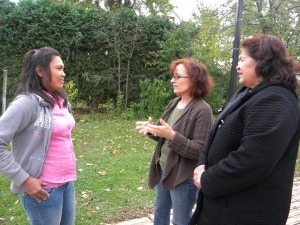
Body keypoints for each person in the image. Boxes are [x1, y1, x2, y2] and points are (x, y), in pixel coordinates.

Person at [190, 34, 300, 225]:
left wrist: (208, 179)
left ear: (263, 62)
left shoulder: (276, 100)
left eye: (242, 59)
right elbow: (215, 134)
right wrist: (202, 164)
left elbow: (252, 160)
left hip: (245, 212)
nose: (237, 66)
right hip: (221, 205)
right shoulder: (247, 93)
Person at [0, 47, 76, 225]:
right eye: (58, 68)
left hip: (66, 184)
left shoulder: (60, 102)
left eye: (63, 68)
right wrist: (24, 180)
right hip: (43, 190)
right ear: (40, 71)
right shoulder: (26, 103)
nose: (63, 73)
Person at [135, 57, 214, 225]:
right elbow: (163, 132)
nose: (172, 80)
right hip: (164, 169)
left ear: (193, 79)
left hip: (183, 176)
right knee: (160, 211)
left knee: (180, 219)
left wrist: (172, 135)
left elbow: (199, 150)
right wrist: (152, 129)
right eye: (173, 76)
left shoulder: (203, 110)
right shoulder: (174, 103)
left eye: (178, 77)